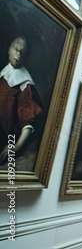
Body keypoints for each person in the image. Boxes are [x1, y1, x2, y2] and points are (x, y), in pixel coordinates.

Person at [0, 36, 42, 164]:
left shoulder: (25, 85)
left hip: (5, 136)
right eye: (16, 49)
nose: (18, 54)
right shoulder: (3, 73)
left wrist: (16, 146)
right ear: (9, 49)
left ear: (26, 57)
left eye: (22, 52)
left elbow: (27, 121)